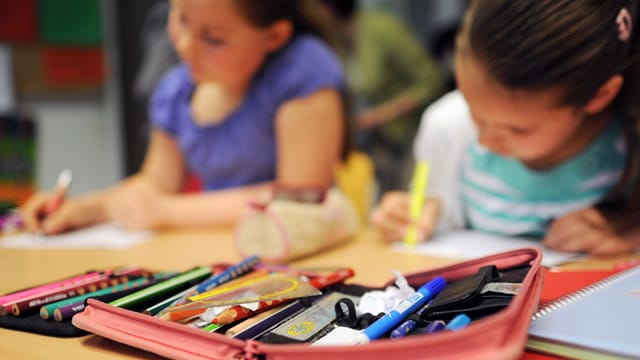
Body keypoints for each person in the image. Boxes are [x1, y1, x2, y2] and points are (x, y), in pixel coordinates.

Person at [20, 0, 349, 234]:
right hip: (213, 252)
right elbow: (155, 182)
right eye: (180, 18)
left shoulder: (302, 70)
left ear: (274, 36)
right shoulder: (177, 90)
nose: (186, 46)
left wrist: (167, 212)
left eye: (214, 38)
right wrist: (86, 208)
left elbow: (302, 195)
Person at [371, 0, 640, 255]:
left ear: (599, 96)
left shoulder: (628, 137)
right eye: (472, 109)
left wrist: (629, 232)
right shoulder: (447, 125)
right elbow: (437, 213)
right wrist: (412, 216)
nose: (485, 140)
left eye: (517, 130)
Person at [319, 0, 447, 193]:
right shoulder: (331, 40)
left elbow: (431, 80)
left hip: (410, 133)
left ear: (328, 8)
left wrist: (380, 115)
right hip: (375, 143)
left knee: (411, 194)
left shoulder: (383, 29)